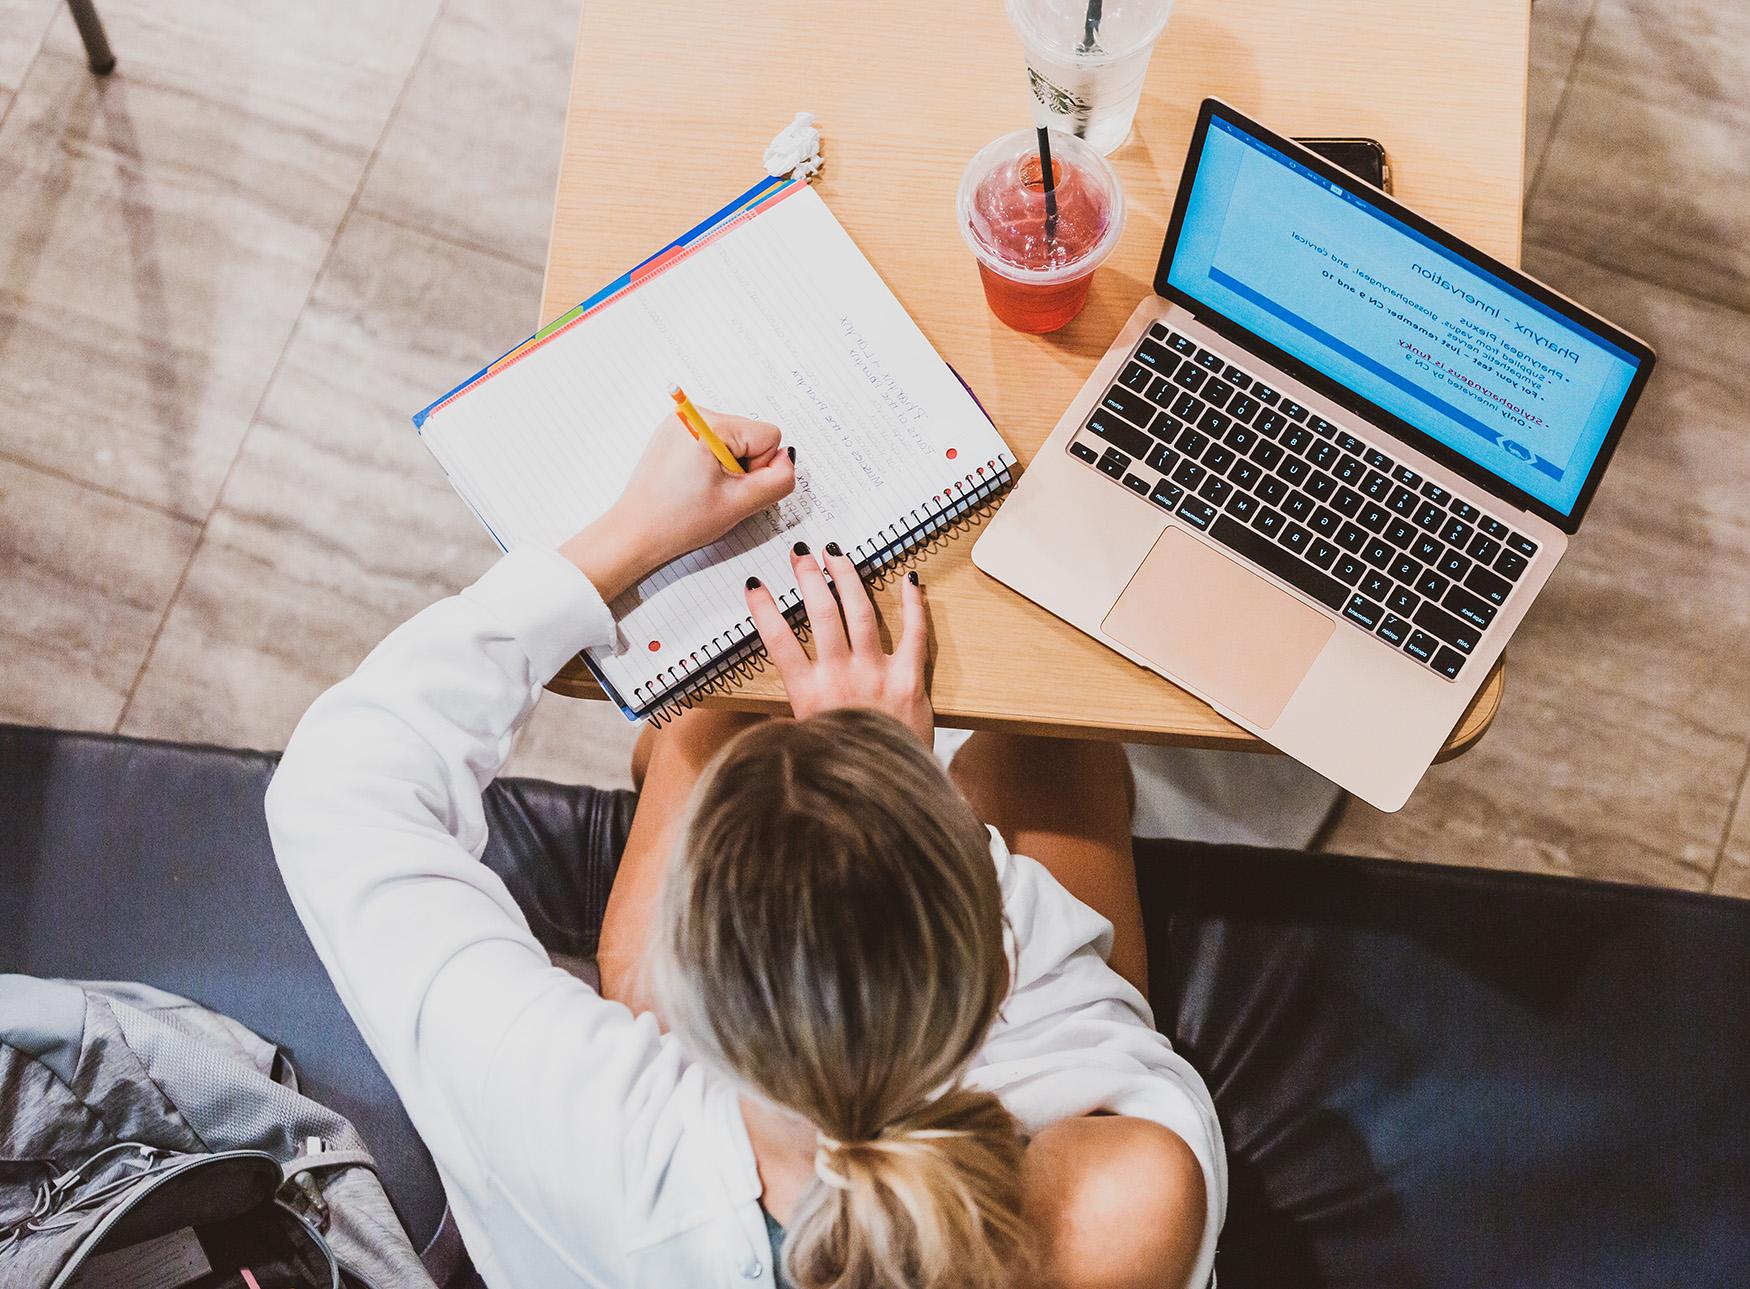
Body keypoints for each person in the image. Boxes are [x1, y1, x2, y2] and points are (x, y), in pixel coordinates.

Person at [267, 408, 1226, 1289]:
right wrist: (904, 779)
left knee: (709, 719)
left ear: (680, 996)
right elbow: (1126, 1068)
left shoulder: (577, 1124)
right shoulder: (1117, 1211)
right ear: (991, 969)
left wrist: (623, 538)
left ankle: (695, 743)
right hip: (1008, 1071)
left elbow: (333, 793)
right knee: (1048, 742)